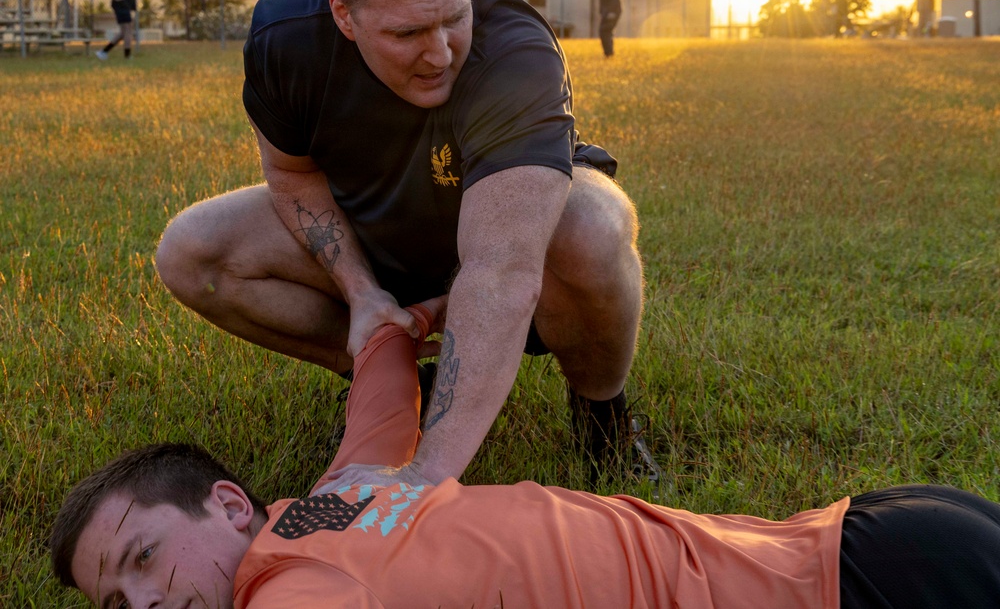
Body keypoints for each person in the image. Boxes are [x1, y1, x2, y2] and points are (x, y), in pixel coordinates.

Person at [154, 0, 652, 488]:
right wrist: (361, 291)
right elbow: (292, 174)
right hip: (380, 233)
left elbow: (502, 271)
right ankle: (393, 379)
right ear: (344, 15)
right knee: (192, 252)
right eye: (408, 31)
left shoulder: (516, 52)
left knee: (590, 227)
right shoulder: (285, 41)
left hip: (501, 237)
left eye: (454, 18)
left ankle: (602, 412)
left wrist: (425, 480)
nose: (440, 53)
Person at [51, 305, 1000, 608]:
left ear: (227, 504)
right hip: (871, 534)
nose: (143, 605)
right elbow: (383, 377)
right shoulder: (350, 489)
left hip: (873, 584)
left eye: (141, 557)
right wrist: (394, 315)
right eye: (115, 605)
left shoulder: (286, 586)